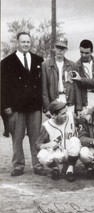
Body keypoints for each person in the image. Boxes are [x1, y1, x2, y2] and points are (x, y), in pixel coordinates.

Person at [1, 32, 46, 177]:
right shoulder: (7, 62)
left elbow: (42, 85)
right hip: (16, 107)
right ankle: (18, 165)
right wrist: (5, 105)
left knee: (36, 137)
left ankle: (37, 164)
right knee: (17, 137)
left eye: (28, 42)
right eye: (23, 42)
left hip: (34, 106)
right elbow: (2, 86)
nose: (26, 44)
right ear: (17, 43)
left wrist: (44, 104)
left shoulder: (39, 60)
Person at [36, 101, 81, 182]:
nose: (66, 115)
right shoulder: (46, 126)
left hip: (70, 152)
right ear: (54, 115)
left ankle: (70, 169)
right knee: (41, 155)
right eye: (62, 114)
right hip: (56, 154)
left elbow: (82, 122)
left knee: (75, 141)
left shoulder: (71, 116)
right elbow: (37, 145)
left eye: (66, 112)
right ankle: (55, 168)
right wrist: (47, 145)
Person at [41, 37, 82, 118]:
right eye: (58, 47)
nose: (60, 50)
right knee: (56, 126)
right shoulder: (45, 65)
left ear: (66, 49)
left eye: (62, 48)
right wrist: (47, 108)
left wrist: (79, 107)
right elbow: (44, 89)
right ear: (54, 48)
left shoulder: (72, 65)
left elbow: (77, 87)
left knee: (70, 125)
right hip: (54, 100)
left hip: (69, 100)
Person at [75, 39, 94, 115]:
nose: (83, 55)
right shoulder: (76, 66)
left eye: (86, 53)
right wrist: (79, 107)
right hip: (85, 98)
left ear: (92, 51)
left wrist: (81, 80)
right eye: (81, 52)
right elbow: (76, 88)